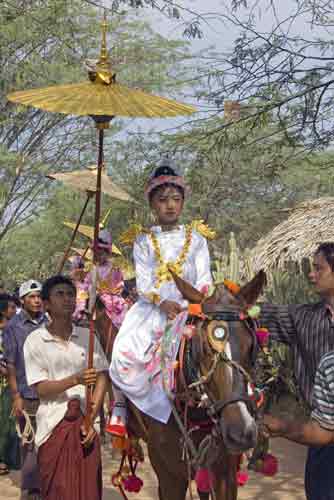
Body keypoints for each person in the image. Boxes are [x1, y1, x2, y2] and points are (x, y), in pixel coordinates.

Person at [109, 161, 213, 437]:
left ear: (183, 203)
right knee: (123, 351)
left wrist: (192, 303)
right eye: (162, 200)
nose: (170, 205)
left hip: (190, 309)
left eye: (176, 200)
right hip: (153, 309)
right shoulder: (143, 240)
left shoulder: (197, 238)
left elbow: (204, 278)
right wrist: (161, 303)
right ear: (152, 204)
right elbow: (143, 281)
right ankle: (122, 410)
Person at [259, 242, 334, 500]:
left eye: (318, 269)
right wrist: (232, 301)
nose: (311, 275)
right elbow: (262, 314)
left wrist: (281, 426)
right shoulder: (305, 319)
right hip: (323, 439)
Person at [23, 275, 109, 500]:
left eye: (71, 294)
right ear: (47, 304)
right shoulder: (35, 340)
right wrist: (75, 380)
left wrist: (91, 416)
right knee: (58, 491)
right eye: (60, 294)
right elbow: (40, 389)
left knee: (88, 491)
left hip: (86, 425)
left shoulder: (87, 336)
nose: (68, 299)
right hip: (53, 425)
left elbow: (101, 376)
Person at [3, 279, 45, 500]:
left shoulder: (49, 322)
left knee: (48, 444)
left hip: (49, 393)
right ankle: (30, 493)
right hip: (26, 394)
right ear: (22, 300)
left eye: (39, 296)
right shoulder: (13, 327)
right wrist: (16, 396)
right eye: (32, 297)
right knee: (28, 445)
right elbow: (10, 364)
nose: (37, 300)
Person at [84, 229, 128, 330]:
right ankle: (89, 314)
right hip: (98, 299)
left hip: (114, 300)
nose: (99, 256)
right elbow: (88, 284)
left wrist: (116, 290)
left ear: (107, 253)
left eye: (101, 254)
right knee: (91, 290)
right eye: (96, 254)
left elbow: (120, 283)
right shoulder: (93, 268)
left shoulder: (115, 267)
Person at [68, 256, 88, 324]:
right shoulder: (75, 272)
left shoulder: (82, 272)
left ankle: (79, 315)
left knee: (81, 299)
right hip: (77, 288)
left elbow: (84, 280)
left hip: (82, 289)